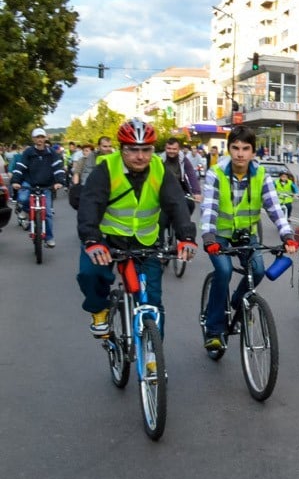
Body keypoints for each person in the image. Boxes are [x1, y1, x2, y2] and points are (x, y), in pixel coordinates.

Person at [76, 119, 197, 338]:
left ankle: (152, 355)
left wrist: (186, 236)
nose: (140, 156)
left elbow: (176, 203)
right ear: (121, 149)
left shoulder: (159, 169)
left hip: (146, 239)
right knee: (89, 273)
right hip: (107, 238)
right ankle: (99, 309)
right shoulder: (106, 168)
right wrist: (92, 240)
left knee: (152, 299)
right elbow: (89, 205)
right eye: (132, 150)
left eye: (146, 150)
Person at [200, 125, 298, 351]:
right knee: (223, 272)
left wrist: (287, 235)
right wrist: (208, 237)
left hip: (246, 235)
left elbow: (274, 208)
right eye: (235, 148)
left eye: (245, 148)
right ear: (229, 150)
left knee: (259, 270)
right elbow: (209, 208)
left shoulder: (261, 175)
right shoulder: (216, 173)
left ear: (254, 152)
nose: (240, 153)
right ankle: (214, 329)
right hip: (219, 236)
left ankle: (238, 302)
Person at [11, 128, 67, 247]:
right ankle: (26, 211)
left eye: (42, 137)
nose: (40, 139)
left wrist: (59, 182)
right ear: (33, 139)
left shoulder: (52, 153)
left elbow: (58, 168)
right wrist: (15, 181)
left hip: (46, 186)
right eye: (37, 137)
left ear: (46, 138)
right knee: (22, 199)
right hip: (29, 183)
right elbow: (20, 166)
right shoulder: (28, 152)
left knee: (47, 213)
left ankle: (49, 238)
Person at [161, 137, 202, 213]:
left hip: (180, 188)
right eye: (169, 148)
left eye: (174, 149)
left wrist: (196, 192)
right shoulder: (160, 160)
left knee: (190, 205)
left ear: (178, 149)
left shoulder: (183, 159)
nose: (171, 151)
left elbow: (191, 174)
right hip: (163, 189)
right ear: (165, 148)